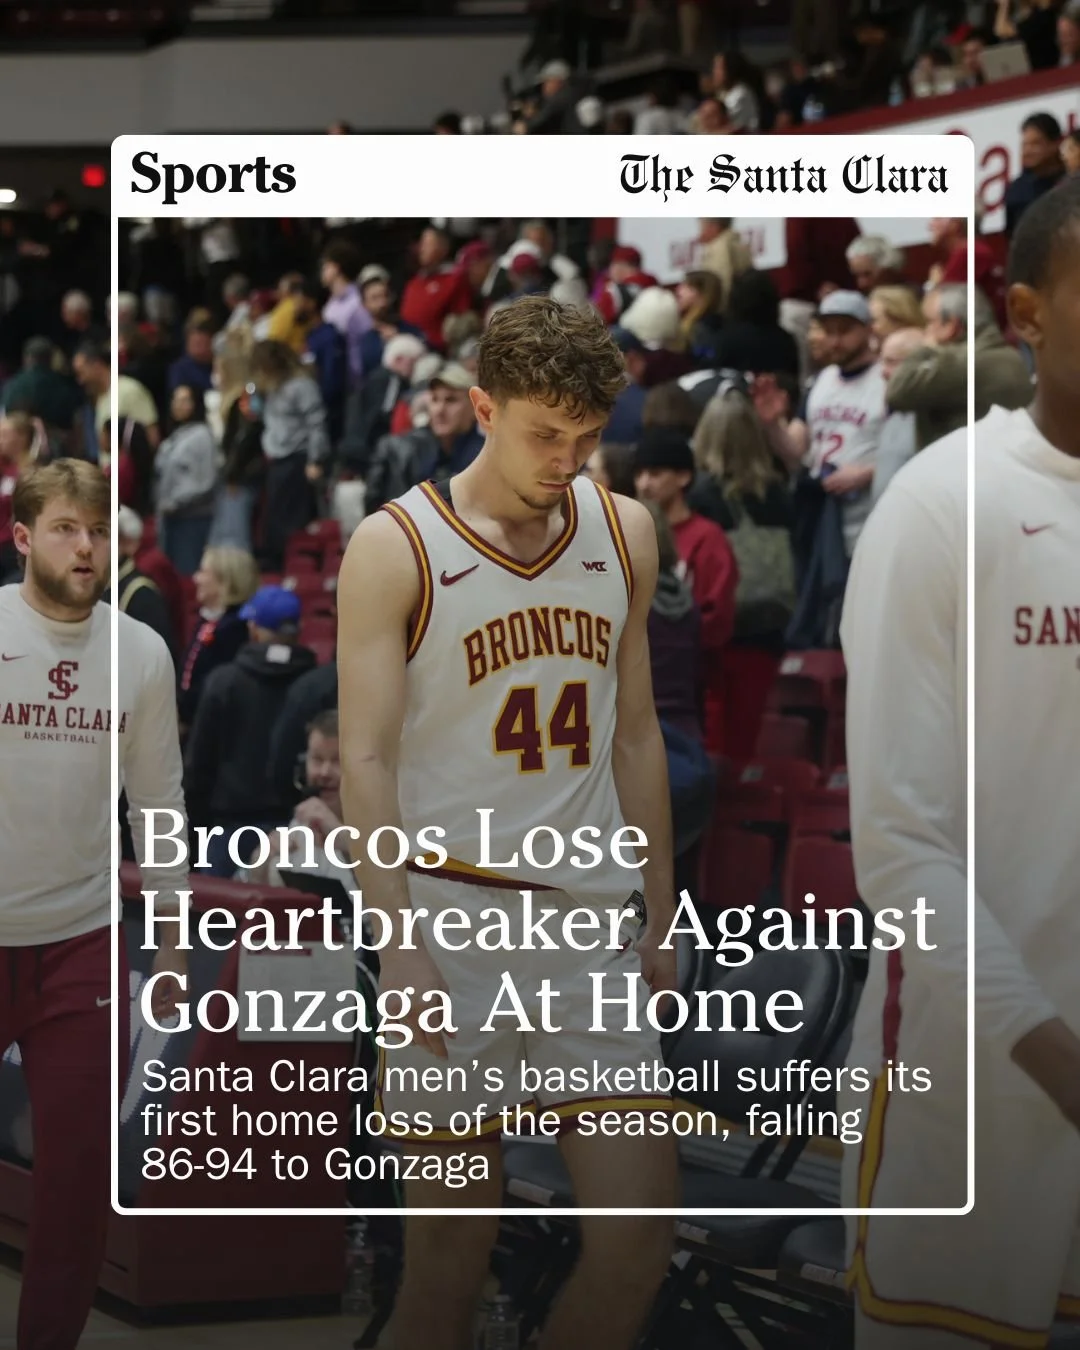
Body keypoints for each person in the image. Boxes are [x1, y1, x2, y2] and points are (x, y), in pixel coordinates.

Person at [337, 296, 678, 1350]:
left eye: (586, 438)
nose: (567, 460)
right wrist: (398, 946)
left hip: (587, 927)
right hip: (449, 924)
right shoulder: (395, 547)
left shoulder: (625, 531)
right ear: (481, 407)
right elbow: (366, 760)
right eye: (545, 434)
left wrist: (661, 915)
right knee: (445, 1271)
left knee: (636, 1246)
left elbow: (636, 737)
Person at [839, 176, 1080, 1349]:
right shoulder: (943, 507)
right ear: (1027, 315)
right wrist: (1058, 1058)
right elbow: (898, 845)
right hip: (979, 1080)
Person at [0, 459, 187, 1350]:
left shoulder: (141, 652)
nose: (89, 545)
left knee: (78, 1188)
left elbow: (160, 804)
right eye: (69, 528)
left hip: (84, 946)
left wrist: (177, 941)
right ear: (23, 536)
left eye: (102, 530)